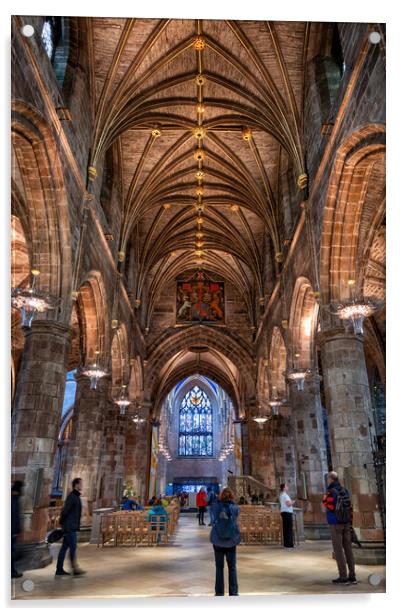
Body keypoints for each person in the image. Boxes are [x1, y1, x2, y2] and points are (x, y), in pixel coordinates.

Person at [323, 470, 357, 585]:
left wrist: (324, 499)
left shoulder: (330, 491)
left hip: (336, 523)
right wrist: (350, 523)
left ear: (331, 479)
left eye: (328, 478)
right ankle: (352, 576)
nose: (328, 480)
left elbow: (329, 506)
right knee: (348, 549)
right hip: (347, 523)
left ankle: (343, 576)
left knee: (338, 551)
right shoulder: (344, 490)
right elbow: (350, 506)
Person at [210, 487, 240, 596]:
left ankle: (219, 593)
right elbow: (236, 517)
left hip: (218, 540)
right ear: (232, 496)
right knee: (232, 567)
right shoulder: (235, 508)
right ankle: (233, 592)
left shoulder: (215, 506)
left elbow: (212, 519)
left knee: (219, 567)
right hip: (231, 541)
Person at [55, 477, 86, 577]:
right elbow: (65, 510)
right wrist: (61, 523)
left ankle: (59, 569)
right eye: (81, 484)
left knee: (64, 548)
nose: (82, 486)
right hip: (69, 527)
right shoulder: (72, 496)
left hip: (71, 526)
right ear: (76, 485)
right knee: (72, 547)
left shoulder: (75, 497)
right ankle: (74, 568)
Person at [11, 480, 24, 579]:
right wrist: (14, 531)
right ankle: (11, 572)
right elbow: (13, 516)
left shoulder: (14, 499)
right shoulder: (13, 500)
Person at [279, 483, 296, 548]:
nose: (287, 487)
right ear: (284, 488)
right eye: (286, 486)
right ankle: (289, 544)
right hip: (287, 512)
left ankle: (286, 544)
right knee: (288, 529)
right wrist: (293, 502)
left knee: (286, 529)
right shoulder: (285, 495)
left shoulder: (281, 495)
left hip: (284, 512)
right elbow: (288, 504)